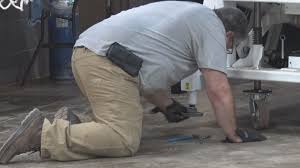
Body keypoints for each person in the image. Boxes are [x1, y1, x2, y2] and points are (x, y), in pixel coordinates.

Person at [0, 1, 264, 163]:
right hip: (104, 63)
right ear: (229, 35)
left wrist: (166, 104)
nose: (226, 50)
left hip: (91, 54)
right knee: (123, 139)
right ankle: (42, 136)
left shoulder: (192, 13)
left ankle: (72, 122)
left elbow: (145, 63)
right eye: (231, 46)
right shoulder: (212, 28)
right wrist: (233, 133)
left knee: (114, 124)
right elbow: (218, 89)